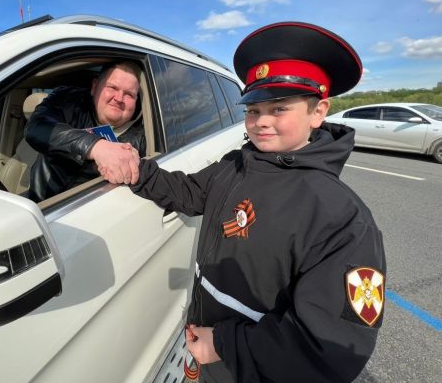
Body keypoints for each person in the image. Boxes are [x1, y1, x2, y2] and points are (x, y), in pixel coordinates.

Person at [112, 22, 387, 382]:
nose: (261, 122)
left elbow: (329, 348)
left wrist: (225, 346)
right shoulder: (236, 165)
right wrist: (134, 170)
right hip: (209, 351)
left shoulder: (341, 217)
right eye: (254, 110)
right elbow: (189, 193)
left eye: (279, 109)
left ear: (318, 112)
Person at [26, 61, 145, 202]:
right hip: (42, 204)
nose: (119, 98)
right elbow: (36, 127)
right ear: (95, 87)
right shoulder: (67, 100)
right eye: (112, 87)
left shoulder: (144, 136)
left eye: (129, 95)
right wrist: (96, 147)